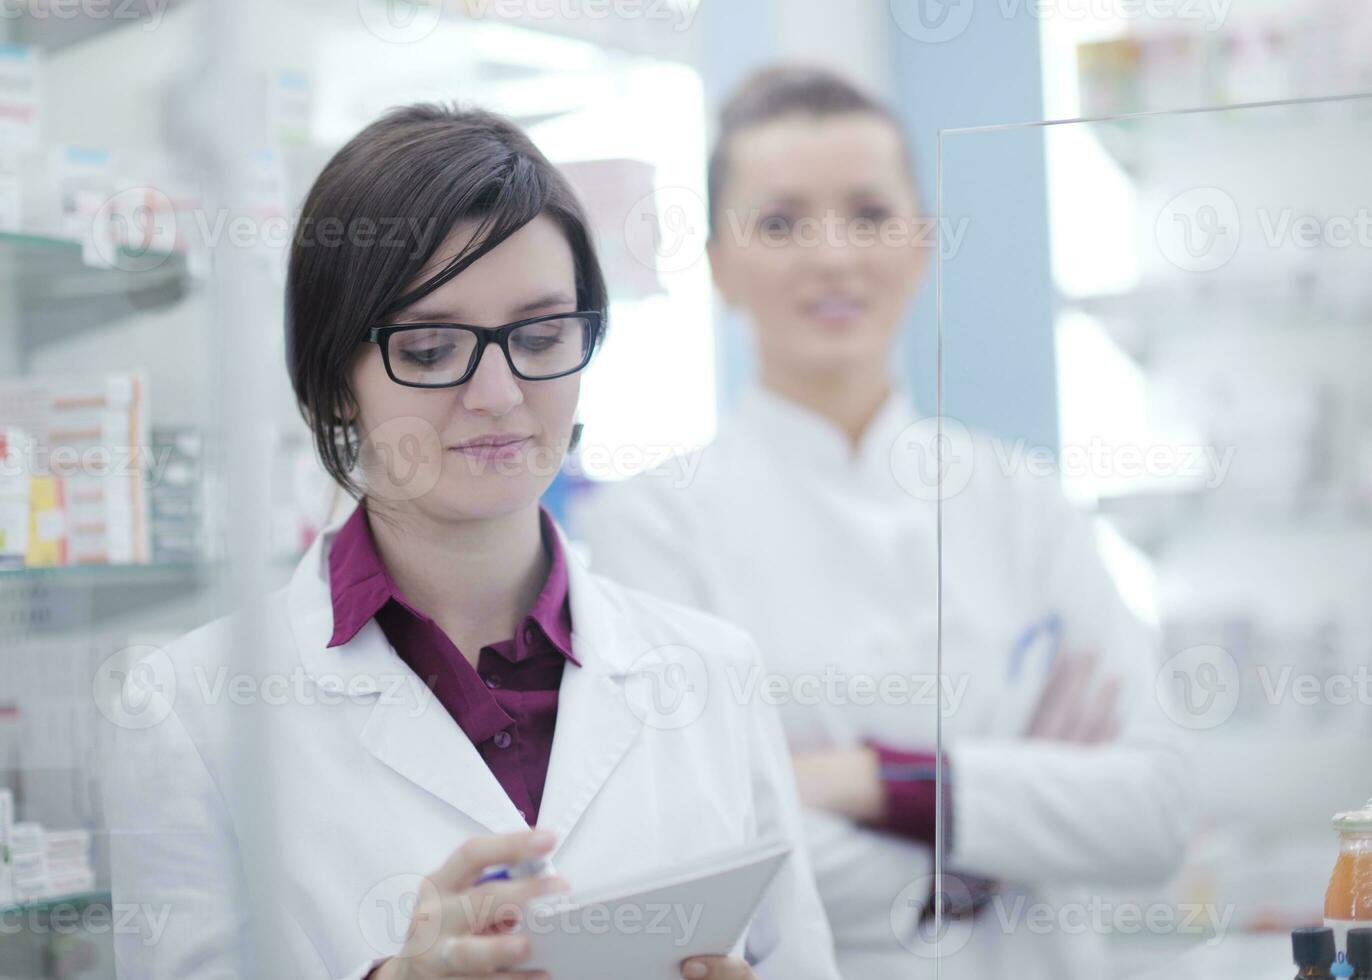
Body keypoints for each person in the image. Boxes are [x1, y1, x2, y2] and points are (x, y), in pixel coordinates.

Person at [101, 103, 841, 980]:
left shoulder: (713, 672)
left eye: (539, 336)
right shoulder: (188, 712)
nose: (497, 393)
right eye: (428, 347)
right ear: (337, 379)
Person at [570, 66, 1195, 980]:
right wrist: (1004, 825)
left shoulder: (1024, 502)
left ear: (923, 242)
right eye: (780, 222)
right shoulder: (650, 528)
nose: (833, 255)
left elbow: (1156, 812)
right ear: (718, 264)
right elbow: (696, 864)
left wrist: (865, 782)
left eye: (869, 213)